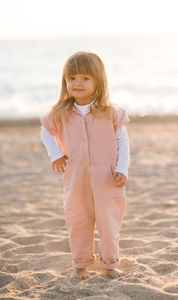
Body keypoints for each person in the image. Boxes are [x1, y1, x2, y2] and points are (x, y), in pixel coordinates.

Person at [40, 50, 130, 280]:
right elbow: (46, 131)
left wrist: (122, 168)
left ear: (97, 80)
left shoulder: (110, 111)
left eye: (84, 78)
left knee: (108, 220)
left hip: (107, 175)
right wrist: (56, 154)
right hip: (76, 174)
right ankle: (80, 263)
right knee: (77, 218)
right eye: (72, 78)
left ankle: (110, 263)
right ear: (65, 82)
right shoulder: (61, 112)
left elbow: (123, 140)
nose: (77, 83)